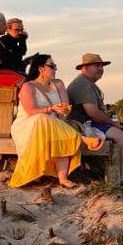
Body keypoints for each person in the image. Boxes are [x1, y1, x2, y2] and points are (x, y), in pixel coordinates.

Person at [8, 54, 82, 189]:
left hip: (54, 124)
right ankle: (82, 138)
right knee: (42, 119)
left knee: (57, 129)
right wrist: (51, 108)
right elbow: (31, 111)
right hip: (29, 124)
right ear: (41, 69)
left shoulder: (58, 84)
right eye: (52, 66)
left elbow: (66, 108)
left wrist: (61, 118)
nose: (55, 69)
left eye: (55, 66)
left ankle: (63, 178)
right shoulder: (28, 87)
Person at [67, 53, 123, 180]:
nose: (101, 69)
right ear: (84, 68)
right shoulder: (83, 84)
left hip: (89, 123)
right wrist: (113, 124)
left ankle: (120, 172)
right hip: (82, 126)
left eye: (102, 66)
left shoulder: (88, 83)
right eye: (96, 66)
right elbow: (93, 113)